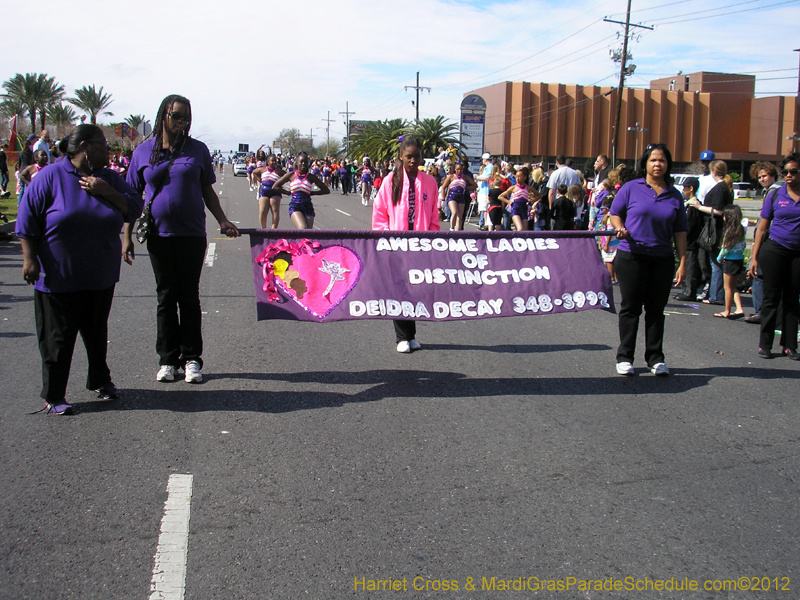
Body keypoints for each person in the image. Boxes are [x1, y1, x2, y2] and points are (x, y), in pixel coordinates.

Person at [15, 124, 143, 415]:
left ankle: (100, 380)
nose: (108, 150)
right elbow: (27, 221)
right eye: (102, 145)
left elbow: (134, 207)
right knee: (58, 338)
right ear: (85, 147)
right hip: (59, 275)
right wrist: (29, 259)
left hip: (100, 274)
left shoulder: (109, 178)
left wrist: (107, 191)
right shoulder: (50, 177)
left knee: (96, 332)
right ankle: (54, 394)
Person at [123, 94, 240, 384]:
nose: (182, 122)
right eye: (177, 116)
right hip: (158, 235)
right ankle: (167, 360)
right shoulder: (143, 152)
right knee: (165, 296)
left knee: (188, 296)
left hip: (191, 234)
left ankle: (191, 359)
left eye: (186, 117)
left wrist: (222, 220)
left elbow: (207, 191)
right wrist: (126, 236)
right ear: (163, 115)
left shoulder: (197, 150)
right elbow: (130, 199)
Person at [610, 143, 687, 376]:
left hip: (662, 259)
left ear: (668, 165)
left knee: (656, 310)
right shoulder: (631, 188)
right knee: (630, 308)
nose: (657, 164)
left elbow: (680, 232)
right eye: (653, 160)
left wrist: (682, 262)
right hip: (631, 256)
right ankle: (625, 357)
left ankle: (655, 358)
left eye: (662, 160)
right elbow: (615, 214)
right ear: (645, 163)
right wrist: (620, 227)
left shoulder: (675, 195)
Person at [372, 135, 439, 353]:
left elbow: (433, 220)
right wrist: (386, 239)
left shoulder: (430, 182)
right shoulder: (390, 181)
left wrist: (432, 243)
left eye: (416, 156)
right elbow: (380, 214)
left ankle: (411, 336)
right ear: (401, 156)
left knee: (414, 290)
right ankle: (401, 337)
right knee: (398, 289)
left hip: (420, 246)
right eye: (408, 157)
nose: (412, 160)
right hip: (395, 245)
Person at [749, 152, 800, 360]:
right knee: (771, 297)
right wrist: (754, 257)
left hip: (797, 253)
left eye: (793, 171)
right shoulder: (776, 194)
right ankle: (765, 344)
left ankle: (789, 345)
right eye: (785, 172)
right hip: (775, 249)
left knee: (792, 298)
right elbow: (761, 229)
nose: (788, 175)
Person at [690, 159, 732, 306]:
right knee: (714, 262)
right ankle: (715, 293)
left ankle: (717, 295)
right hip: (715, 227)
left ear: (714, 171)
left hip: (715, 227)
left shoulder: (720, 188)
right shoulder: (723, 187)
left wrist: (699, 207)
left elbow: (719, 211)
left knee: (715, 263)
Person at [745, 162, 783, 324]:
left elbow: (767, 221)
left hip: (769, 239)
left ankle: (760, 311)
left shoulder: (774, 191)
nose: (762, 179)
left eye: (765, 176)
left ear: (773, 175)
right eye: (759, 177)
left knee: (757, 274)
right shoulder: (779, 189)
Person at [271, 152, 330, 229]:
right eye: (301, 161)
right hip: (295, 206)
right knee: (302, 228)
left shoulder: (311, 177)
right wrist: (289, 193)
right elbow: (275, 186)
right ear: (296, 162)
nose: (303, 164)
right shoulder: (291, 175)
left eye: (305, 162)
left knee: (308, 233)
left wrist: (312, 193)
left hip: (307, 206)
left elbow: (326, 190)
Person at [673, 177, 704, 301]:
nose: (683, 190)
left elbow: (691, 225)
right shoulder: (687, 204)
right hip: (687, 241)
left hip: (690, 242)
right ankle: (686, 289)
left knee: (690, 266)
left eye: (685, 188)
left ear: (691, 189)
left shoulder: (694, 205)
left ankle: (689, 291)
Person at [714, 204, 747, 319]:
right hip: (739, 259)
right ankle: (739, 308)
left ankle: (727, 310)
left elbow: (725, 248)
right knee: (733, 286)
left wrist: (719, 258)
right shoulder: (741, 229)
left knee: (727, 287)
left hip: (730, 261)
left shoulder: (729, 231)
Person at [251, 154, 285, 229]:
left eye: (275, 161)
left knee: (275, 211)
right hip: (264, 191)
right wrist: (258, 179)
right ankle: (264, 228)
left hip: (275, 192)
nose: (274, 162)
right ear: (268, 162)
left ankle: (274, 230)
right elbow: (254, 172)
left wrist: (281, 184)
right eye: (272, 160)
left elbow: (287, 176)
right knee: (263, 211)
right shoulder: (263, 169)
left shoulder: (279, 171)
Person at [439, 162, 475, 231]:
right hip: (452, 196)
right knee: (454, 212)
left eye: (461, 169)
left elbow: (474, 185)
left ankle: (458, 232)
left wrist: (466, 188)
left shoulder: (465, 177)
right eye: (458, 169)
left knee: (460, 216)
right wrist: (443, 199)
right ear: (455, 169)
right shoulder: (451, 177)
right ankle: (452, 228)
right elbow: (443, 187)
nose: (459, 171)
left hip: (461, 196)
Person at [499, 166, 536, 232]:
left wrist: (533, 201)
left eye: (519, 176)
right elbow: (500, 196)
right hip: (515, 208)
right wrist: (510, 202)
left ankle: (520, 240)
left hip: (524, 208)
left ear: (525, 177)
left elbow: (539, 195)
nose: (517, 179)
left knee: (524, 230)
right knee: (520, 229)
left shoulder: (528, 188)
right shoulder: (514, 187)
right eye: (516, 177)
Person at [475, 153, 493, 230]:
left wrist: (477, 177)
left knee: (485, 209)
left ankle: (486, 224)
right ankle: (486, 223)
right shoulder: (487, 168)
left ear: (485, 159)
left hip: (485, 191)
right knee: (484, 209)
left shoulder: (489, 167)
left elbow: (487, 178)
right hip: (484, 190)